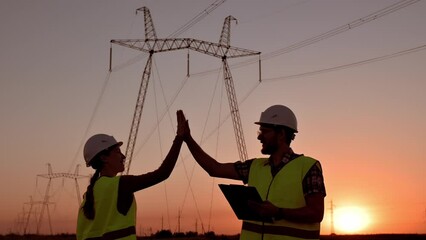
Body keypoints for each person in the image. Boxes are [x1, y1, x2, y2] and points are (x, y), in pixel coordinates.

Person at [178, 105, 326, 240]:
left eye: (264, 131)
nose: (259, 136)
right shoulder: (255, 166)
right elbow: (214, 169)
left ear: (281, 133)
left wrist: (278, 212)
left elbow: (316, 213)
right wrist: (188, 139)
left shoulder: (308, 167)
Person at [76, 110, 185, 240]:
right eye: (117, 151)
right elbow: (162, 173)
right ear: (104, 157)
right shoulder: (119, 184)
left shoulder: (87, 199)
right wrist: (179, 138)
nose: (123, 156)